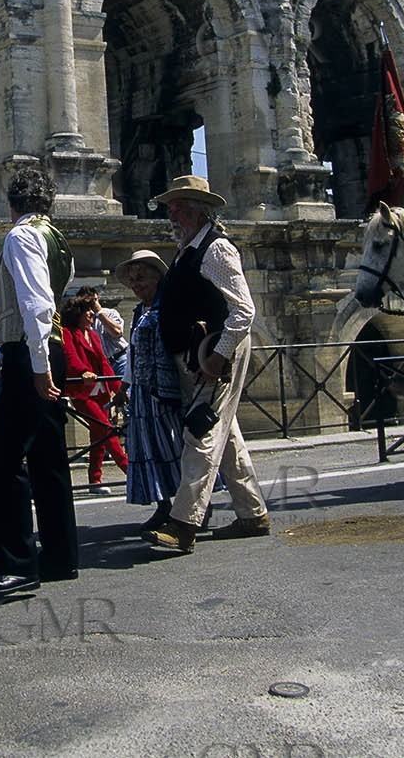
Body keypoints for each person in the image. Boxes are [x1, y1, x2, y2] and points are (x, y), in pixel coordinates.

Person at [142, 176, 271, 554]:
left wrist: (218, 356)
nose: (172, 213)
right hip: (197, 354)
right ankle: (252, 513)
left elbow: (244, 309)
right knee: (224, 434)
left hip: (212, 354)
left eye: (179, 206)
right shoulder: (188, 249)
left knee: (201, 432)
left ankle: (183, 523)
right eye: (171, 207)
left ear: (200, 210)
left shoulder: (216, 250)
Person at [0, 167, 77, 600]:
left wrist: (34, 365)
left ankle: (16, 565)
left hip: (32, 356)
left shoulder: (18, 236)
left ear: (11, 203)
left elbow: (36, 303)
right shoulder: (59, 239)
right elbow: (46, 298)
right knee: (49, 456)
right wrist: (1, 354)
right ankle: (59, 555)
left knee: (4, 462)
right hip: (46, 348)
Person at [114, 249, 186, 535]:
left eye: (141, 277)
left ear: (157, 278)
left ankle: (190, 506)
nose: (136, 284)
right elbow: (134, 354)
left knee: (172, 448)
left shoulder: (167, 308)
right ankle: (163, 505)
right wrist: (124, 385)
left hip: (163, 391)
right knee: (150, 450)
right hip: (143, 392)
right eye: (132, 280)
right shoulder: (139, 311)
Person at [61, 296, 128, 494]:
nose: (91, 314)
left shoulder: (93, 334)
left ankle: (94, 480)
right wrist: (82, 372)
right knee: (106, 430)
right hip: (83, 392)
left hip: (100, 391)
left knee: (98, 435)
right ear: (77, 314)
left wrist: (118, 387)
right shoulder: (68, 333)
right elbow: (70, 358)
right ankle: (129, 471)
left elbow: (104, 363)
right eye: (87, 310)